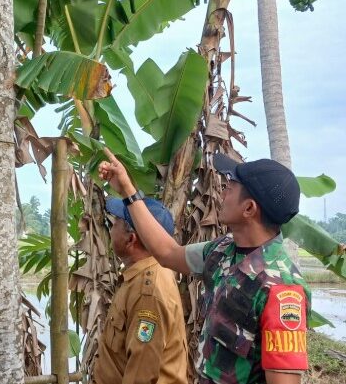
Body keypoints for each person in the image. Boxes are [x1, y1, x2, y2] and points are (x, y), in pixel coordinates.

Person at [99, 149, 311, 384]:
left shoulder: (282, 290)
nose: (221, 193)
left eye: (229, 188)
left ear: (249, 209)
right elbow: (167, 252)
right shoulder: (222, 251)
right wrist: (128, 191)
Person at [93, 197, 188, 384]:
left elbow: (141, 375)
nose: (111, 230)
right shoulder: (140, 277)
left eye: (115, 224)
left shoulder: (149, 292)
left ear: (131, 239)